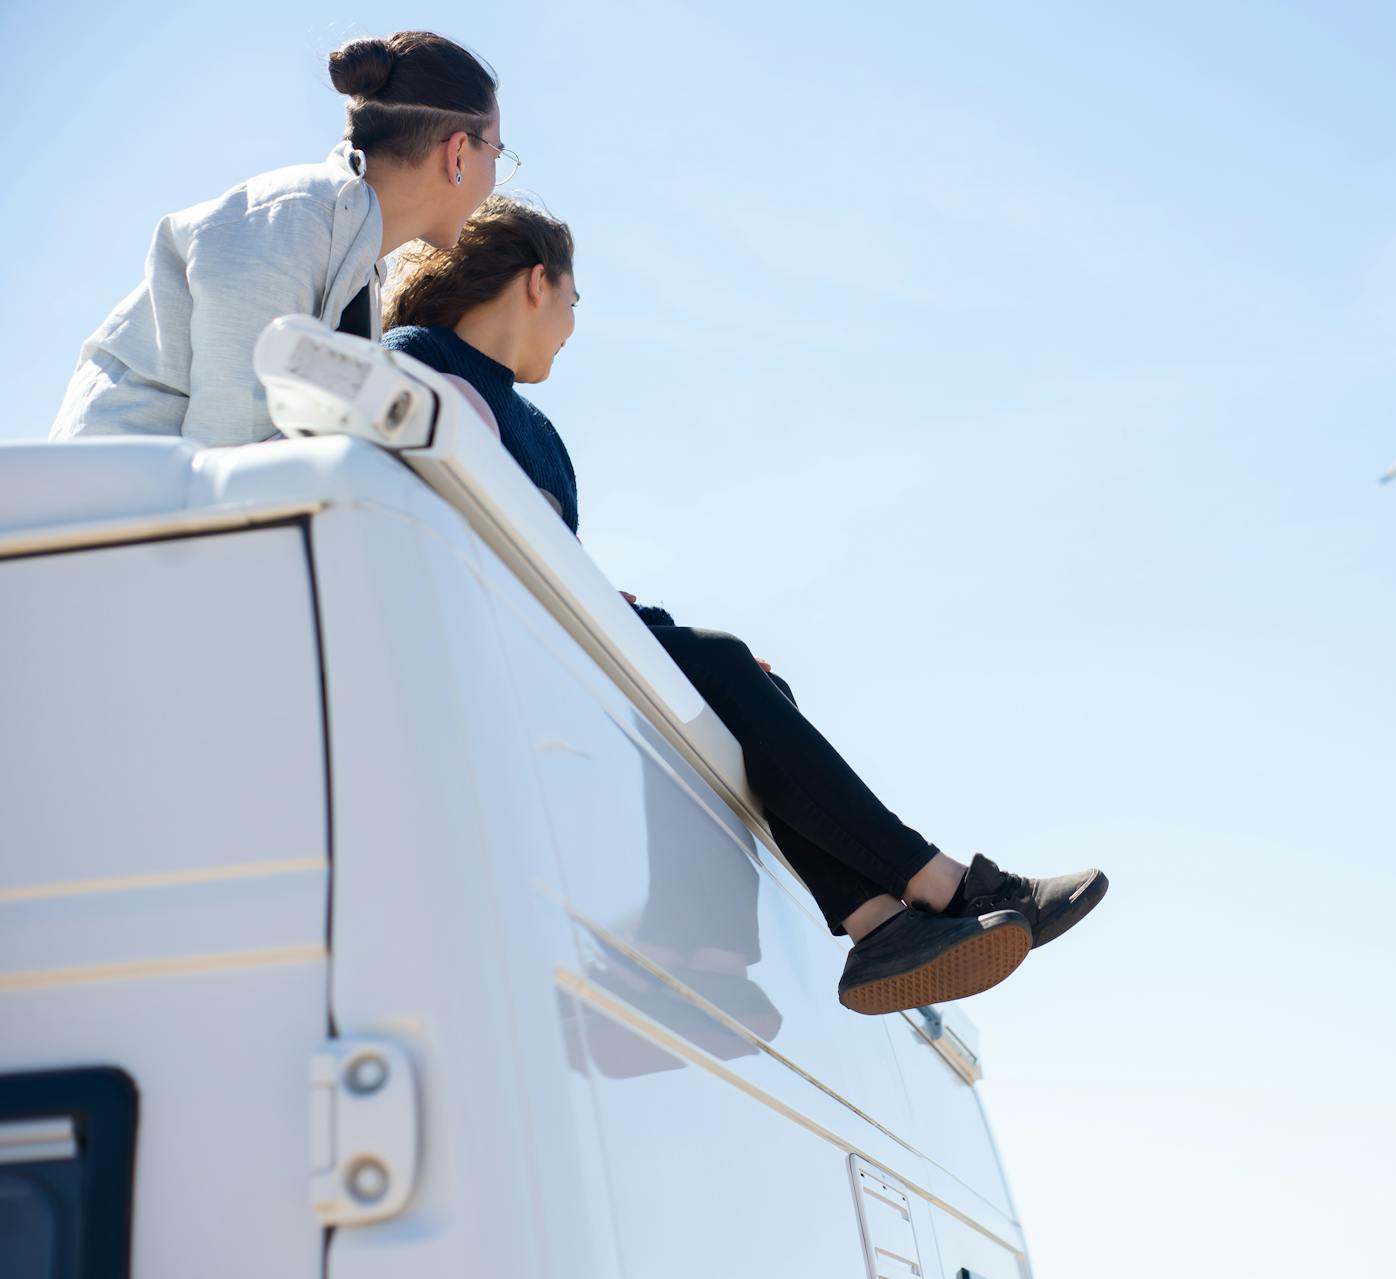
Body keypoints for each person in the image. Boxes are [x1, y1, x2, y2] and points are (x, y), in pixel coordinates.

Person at [381, 197, 1110, 1015]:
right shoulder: (416, 361)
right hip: (493, 635)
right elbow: (486, 538)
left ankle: (875, 926)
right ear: (538, 283)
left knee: (754, 683)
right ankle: (946, 885)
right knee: (722, 660)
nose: (572, 328)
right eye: (575, 304)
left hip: (556, 627)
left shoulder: (536, 427)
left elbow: (562, 569)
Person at [51, 31, 509, 446]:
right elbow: (229, 454)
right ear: (458, 153)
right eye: (496, 152)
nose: (496, 180)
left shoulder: (346, 245)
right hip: (104, 512)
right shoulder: (297, 217)